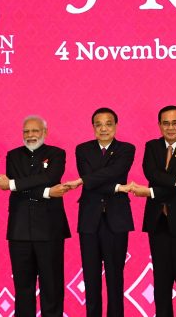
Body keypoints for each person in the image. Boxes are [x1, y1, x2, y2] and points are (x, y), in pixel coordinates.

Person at [0, 115, 71, 317]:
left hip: (50, 229)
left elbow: (50, 177)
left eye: (35, 130)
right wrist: (47, 192)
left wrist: (13, 184)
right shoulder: (13, 155)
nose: (30, 135)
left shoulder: (57, 154)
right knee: (23, 287)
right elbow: (29, 186)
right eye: (26, 131)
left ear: (45, 132)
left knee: (52, 285)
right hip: (20, 229)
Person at [130, 105, 176, 317]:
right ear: (159, 125)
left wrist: (152, 191)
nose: (170, 127)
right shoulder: (152, 146)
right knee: (161, 282)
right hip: (158, 222)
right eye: (166, 123)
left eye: (175, 123)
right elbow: (151, 174)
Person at [73, 108, 136, 317]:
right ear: (93, 127)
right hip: (89, 219)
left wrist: (86, 180)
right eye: (98, 124)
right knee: (90, 278)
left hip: (116, 219)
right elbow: (91, 181)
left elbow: (115, 171)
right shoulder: (82, 149)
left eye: (108, 124)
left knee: (115, 277)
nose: (103, 128)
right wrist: (117, 187)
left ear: (116, 126)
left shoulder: (126, 149)